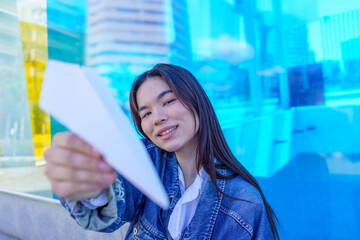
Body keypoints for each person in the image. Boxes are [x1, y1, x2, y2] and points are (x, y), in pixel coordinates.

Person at [44, 63, 280, 239]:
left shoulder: (244, 203)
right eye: (145, 113)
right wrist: (87, 185)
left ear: (197, 101)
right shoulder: (146, 160)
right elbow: (109, 208)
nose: (157, 118)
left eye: (168, 101)